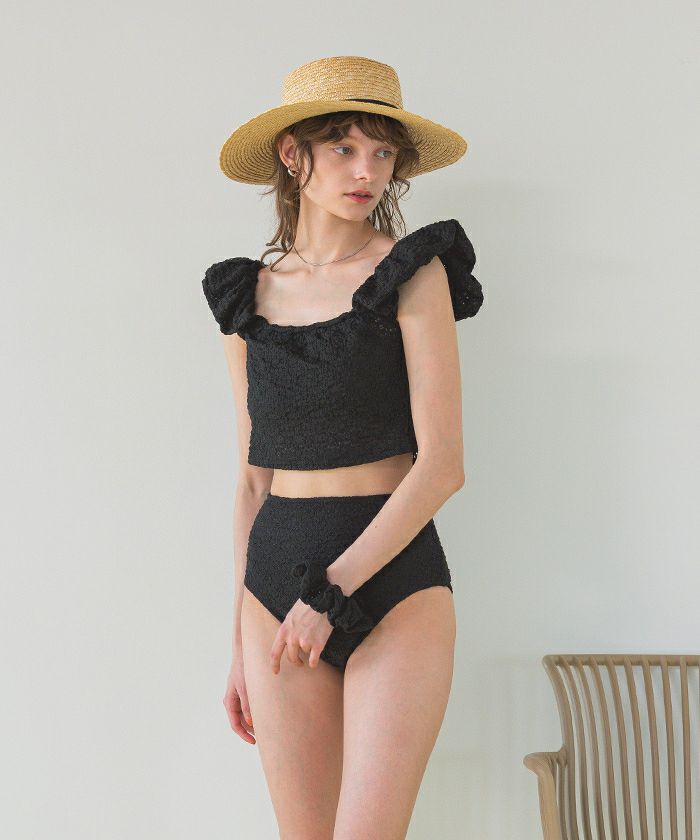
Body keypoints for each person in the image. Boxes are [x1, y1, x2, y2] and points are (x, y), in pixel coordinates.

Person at [202, 55, 484, 840]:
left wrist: (330, 595)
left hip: (393, 579)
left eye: (383, 151)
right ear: (293, 154)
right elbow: (252, 480)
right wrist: (239, 642)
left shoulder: (411, 272)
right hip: (273, 586)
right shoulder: (245, 296)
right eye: (344, 147)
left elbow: (443, 465)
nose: (367, 171)